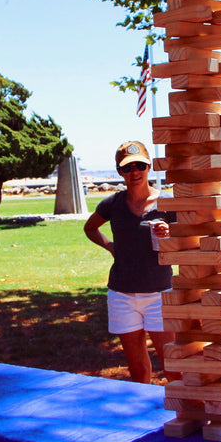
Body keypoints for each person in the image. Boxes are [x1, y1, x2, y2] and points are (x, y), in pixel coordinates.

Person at [84, 141, 176, 383]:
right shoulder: (112, 204)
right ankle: (145, 417)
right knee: (137, 370)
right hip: (122, 295)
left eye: (140, 165)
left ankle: (184, 416)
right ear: (119, 172)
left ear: (149, 167)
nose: (134, 172)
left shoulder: (167, 203)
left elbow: (192, 238)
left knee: (173, 367)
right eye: (128, 168)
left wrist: (171, 233)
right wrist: (110, 246)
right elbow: (90, 227)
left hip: (160, 294)